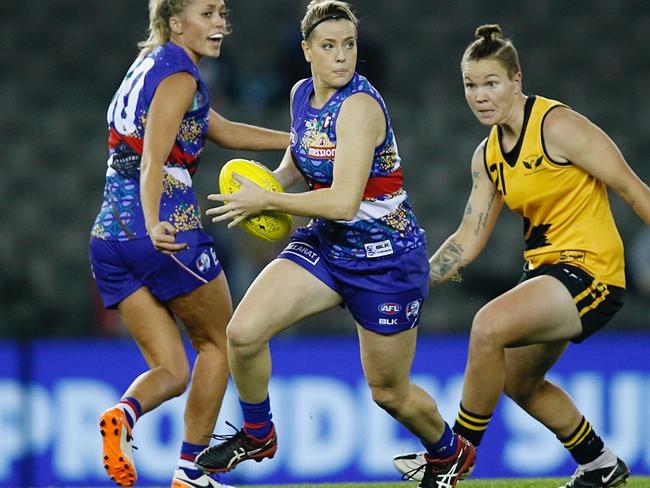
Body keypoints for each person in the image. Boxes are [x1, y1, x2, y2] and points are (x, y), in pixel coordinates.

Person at [193, 2, 475, 487]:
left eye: (349, 45)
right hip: (327, 246)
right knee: (242, 334)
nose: (342, 57)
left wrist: (271, 199)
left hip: (386, 259)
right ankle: (259, 433)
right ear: (307, 51)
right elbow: (297, 163)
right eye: (329, 46)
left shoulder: (360, 109)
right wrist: (266, 191)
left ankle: (451, 453)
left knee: (389, 392)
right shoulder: (302, 93)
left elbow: (344, 202)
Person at [392, 24, 650, 488]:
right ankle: (601, 465)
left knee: (488, 326)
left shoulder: (559, 126)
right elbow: (468, 238)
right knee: (518, 382)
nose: (480, 96)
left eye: (491, 83)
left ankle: (453, 459)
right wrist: (414, 278)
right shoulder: (487, 156)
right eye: (470, 85)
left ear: (517, 80)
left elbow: (634, 191)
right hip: (546, 275)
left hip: (591, 272)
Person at [88, 1, 289, 487]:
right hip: (162, 228)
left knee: (172, 369)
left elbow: (219, 129)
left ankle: (123, 414)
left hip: (108, 238)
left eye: (222, 11)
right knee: (219, 342)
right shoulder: (179, 76)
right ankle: (189, 472)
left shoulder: (153, 66)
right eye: (208, 12)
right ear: (176, 22)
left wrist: (295, 141)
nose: (221, 21)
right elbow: (153, 158)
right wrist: (156, 222)